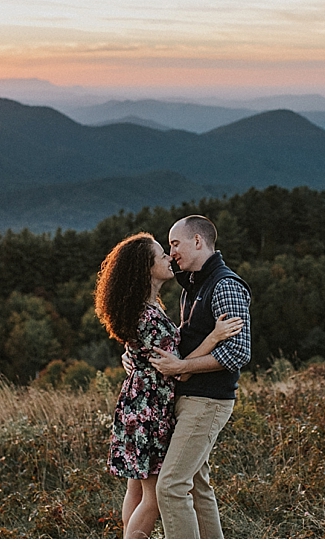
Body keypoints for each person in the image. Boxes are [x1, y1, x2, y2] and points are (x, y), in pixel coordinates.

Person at [95, 232, 242, 539]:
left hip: (138, 404)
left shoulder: (144, 308)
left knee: (136, 488)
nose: (169, 257)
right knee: (153, 496)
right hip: (150, 406)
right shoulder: (149, 316)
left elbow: (155, 357)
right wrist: (214, 338)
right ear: (146, 268)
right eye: (162, 254)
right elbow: (178, 370)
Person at [147, 215, 252, 539]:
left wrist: (182, 368)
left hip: (207, 401)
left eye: (175, 244)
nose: (171, 251)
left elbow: (238, 353)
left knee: (171, 486)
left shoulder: (224, 285)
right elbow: (185, 338)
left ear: (197, 241)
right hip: (191, 398)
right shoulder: (192, 287)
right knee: (194, 485)